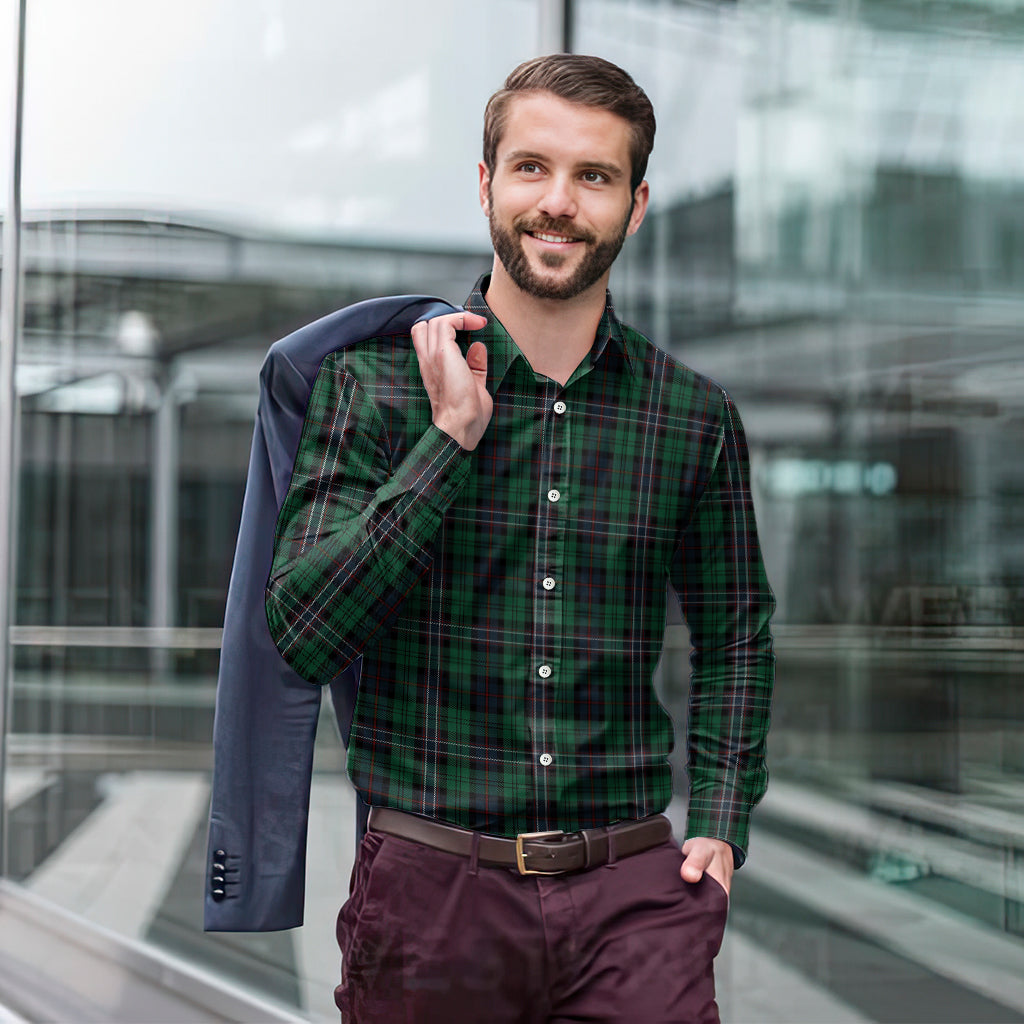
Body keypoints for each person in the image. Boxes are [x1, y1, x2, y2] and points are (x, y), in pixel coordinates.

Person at [265, 53, 775, 1024]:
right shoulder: (370, 388)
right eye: (533, 167)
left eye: (595, 176)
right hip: (432, 895)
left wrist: (718, 816)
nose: (559, 202)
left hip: (634, 898)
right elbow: (303, 629)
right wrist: (448, 440)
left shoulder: (690, 417)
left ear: (636, 203)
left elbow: (735, 630)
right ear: (487, 182)